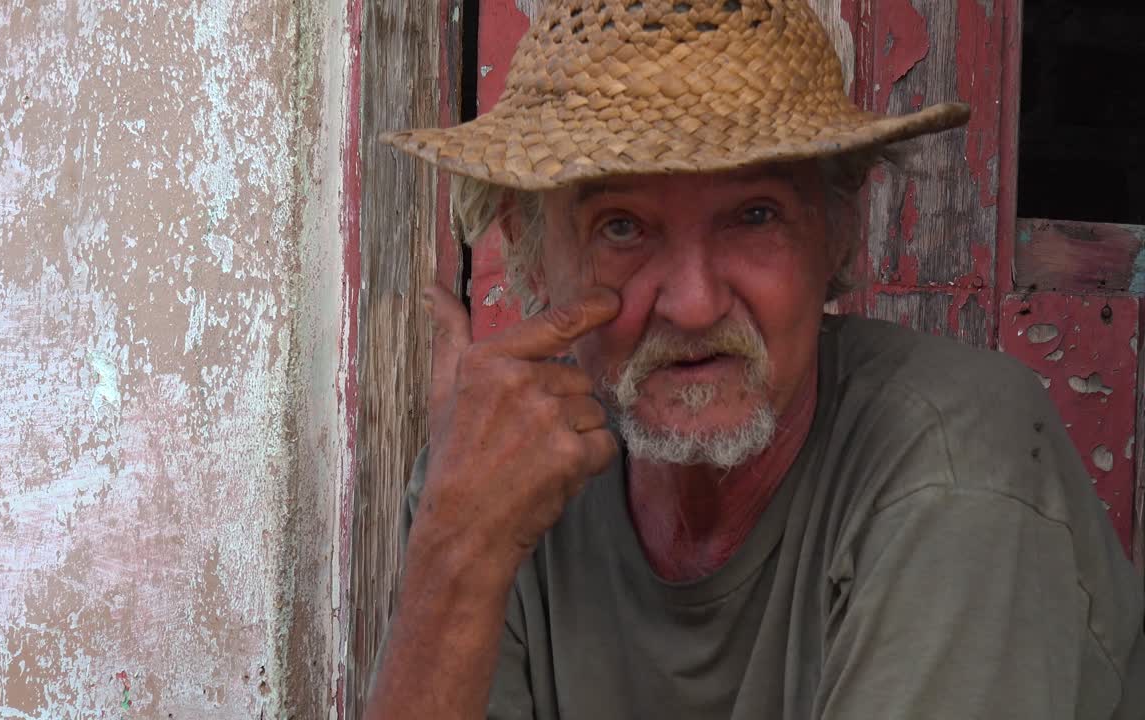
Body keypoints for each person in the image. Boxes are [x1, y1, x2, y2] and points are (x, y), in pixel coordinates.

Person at [367, 0, 1145, 717]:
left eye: (755, 215)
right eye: (622, 227)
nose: (695, 304)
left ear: (837, 230)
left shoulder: (961, 466)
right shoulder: (491, 484)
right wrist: (456, 548)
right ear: (536, 259)